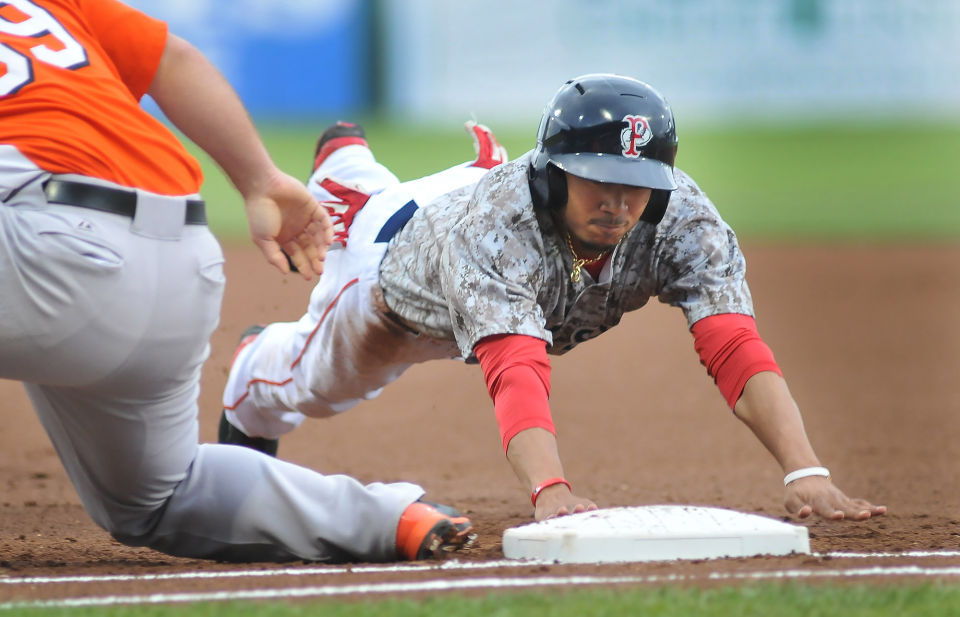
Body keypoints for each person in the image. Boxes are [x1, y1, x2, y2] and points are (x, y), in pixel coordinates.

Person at [219, 73, 887, 524]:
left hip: (457, 209)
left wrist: (807, 469)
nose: (619, 200)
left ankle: (349, 171)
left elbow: (733, 342)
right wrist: (550, 488)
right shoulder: (498, 230)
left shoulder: (684, 218)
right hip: (392, 285)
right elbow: (515, 363)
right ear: (553, 173)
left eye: (638, 181)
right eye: (597, 179)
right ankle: (258, 356)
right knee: (315, 385)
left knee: (416, 204)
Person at [0, 0, 475, 563]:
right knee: (157, 497)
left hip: (43, 244)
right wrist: (260, 181)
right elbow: (171, 59)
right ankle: (389, 520)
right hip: (182, 258)